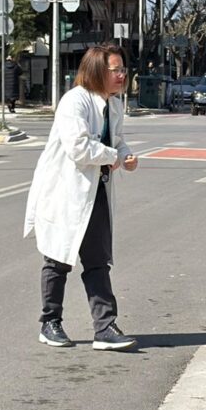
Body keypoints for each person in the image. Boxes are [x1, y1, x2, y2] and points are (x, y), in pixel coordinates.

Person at [23, 45, 139, 351]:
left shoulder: (114, 105)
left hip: (96, 190)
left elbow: (118, 141)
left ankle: (105, 327)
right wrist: (115, 156)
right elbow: (78, 147)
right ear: (97, 71)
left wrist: (126, 155)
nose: (122, 75)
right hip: (65, 191)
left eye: (123, 69)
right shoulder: (74, 101)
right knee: (58, 257)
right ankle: (50, 323)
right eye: (115, 70)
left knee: (98, 261)